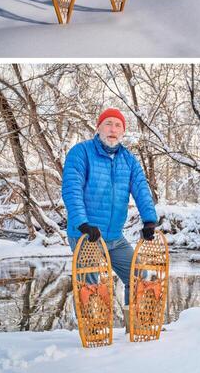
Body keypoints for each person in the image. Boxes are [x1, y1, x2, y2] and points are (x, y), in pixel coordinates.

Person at [61, 108, 159, 307]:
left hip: (114, 237)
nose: (112, 129)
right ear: (98, 128)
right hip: (86, 235)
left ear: (123, 132)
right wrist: (83, 224)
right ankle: (94, 331)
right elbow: (72, 189)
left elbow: (141, 189)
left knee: (138, 275)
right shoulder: (81, 153)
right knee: (91, 285)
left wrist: (149, 220)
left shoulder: (129, 160)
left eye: (118, 125)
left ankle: (134, 324)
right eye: (108, 124)